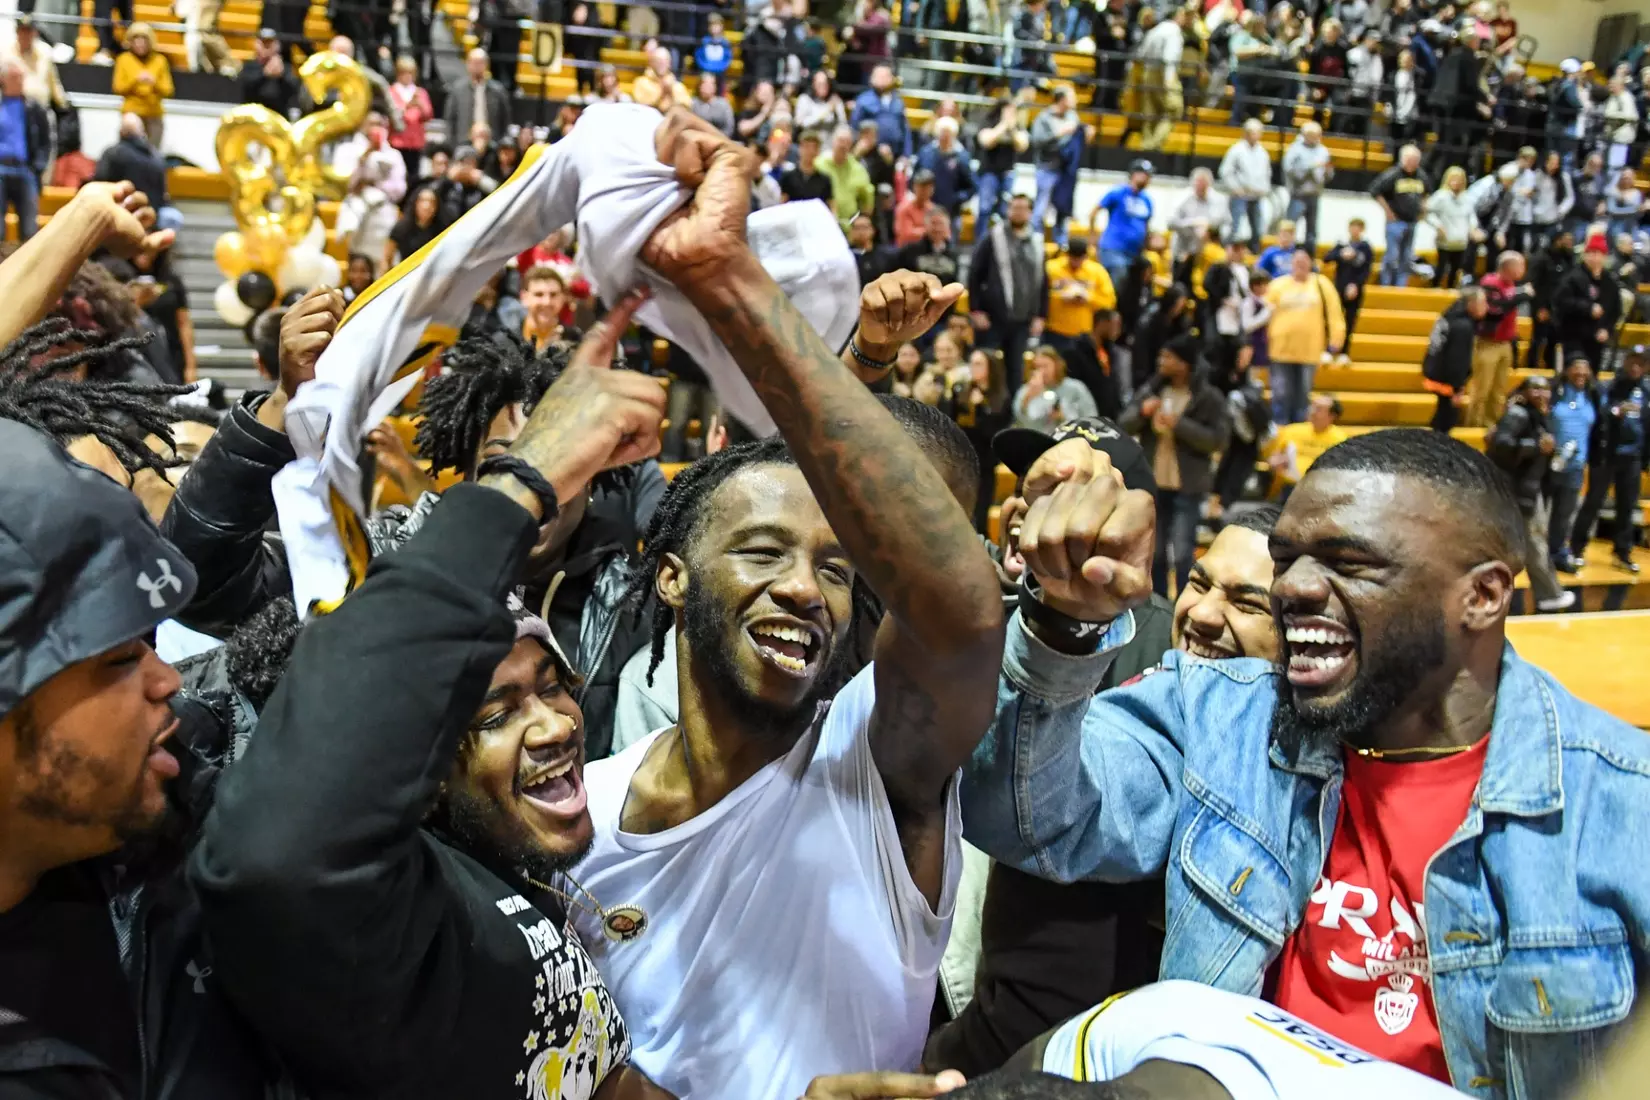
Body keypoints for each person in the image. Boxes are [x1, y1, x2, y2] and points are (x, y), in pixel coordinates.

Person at [962, 426, 1650, 1098]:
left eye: (1347, 563)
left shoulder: (1622, 803)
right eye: (1286, 557)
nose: (1292, 588)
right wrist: (1062, 626)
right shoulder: (1216, 715)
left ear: (1484, 595)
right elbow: (1026, 818)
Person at [570, 116, 1017, 1100]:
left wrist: (734, 283)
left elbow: (959, 615)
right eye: (765, 550)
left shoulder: (876, 764)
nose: (806, 587)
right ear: (672, 575)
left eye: (835, 566)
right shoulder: (576, 810)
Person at [1119, 332, 1231, 594]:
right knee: (1154, 554)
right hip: (1153, 484)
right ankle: (1157, 605)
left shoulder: (1209, 398)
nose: (1161, 360)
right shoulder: (1152, 390)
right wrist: (1141, 413)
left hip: (1187, 487)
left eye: (1168, 357)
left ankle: (1185, 602)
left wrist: (1179, 425)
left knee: (1182, 554)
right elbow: (1123, 423)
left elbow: (1217, 441)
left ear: (1185, 363)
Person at [1488, 375, 1575, 612]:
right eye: (1535, 388)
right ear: (1524, 391)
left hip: (1525, 490)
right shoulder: (1518, 414)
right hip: (1516, 491)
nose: (1541, 393)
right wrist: (1535, 447)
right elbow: (1500, 445)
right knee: (1534, 543)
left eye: (1545, 389)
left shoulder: (1537, 416)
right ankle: (1549, 594)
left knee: (1522, 543)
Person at [1569, 346, 1648, 574]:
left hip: (1632, 456)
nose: (1635, 366)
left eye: (1641, 363)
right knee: (1593, 502)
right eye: (1632, 361)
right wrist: (1615, 412)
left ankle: (1622, 552)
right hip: (1606, 455)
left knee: (1627, 506)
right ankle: (1576, 548)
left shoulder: (1646, 390)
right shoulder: (1607, 387)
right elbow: (1599, 413)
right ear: (1624, 361)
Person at [968, 192, 1047, 392]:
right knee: (989, 366)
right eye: (1013, 207)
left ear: (1030, 212)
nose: (1017, 212)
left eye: (1022, 208)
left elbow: (1043, 280)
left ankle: (1010, 416)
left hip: (1022, 320)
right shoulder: (993, 237)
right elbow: (975, 273)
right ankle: (981, 410)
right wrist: (975, 309)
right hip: (993, 317)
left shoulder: (1038, 241)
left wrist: (1041, 315)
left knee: (1015, 371)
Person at [1264, 249, 1345, 425]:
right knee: (1280, 394)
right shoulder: (1277, 285)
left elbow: (1334, 312)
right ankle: (1280, 430)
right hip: (1280, 350)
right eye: (1297, 262)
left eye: (1304, 261)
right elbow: (1264, 314)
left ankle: (1299, 431)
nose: (1300, 265)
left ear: (1310, 263)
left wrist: (1336, 339)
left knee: (1302, 395)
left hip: (1309, 351)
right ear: (1291, 264)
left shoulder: (1321, 284)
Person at [1549, 354, 1599, 574]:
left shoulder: (1594, 394)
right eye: (1576, 369)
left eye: (1584, 369)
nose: (1580, 374)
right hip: (1548, 464)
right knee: (1537, 514)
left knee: (1564, 513)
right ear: (1566, 370)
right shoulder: (1553, 392)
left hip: (1576, 466)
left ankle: (1557, 553)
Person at [1463, 249, 1526, 428]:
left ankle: (1493, 424)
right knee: (1481, 390)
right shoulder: (1490, 283)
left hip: (1505, 342)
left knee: (1498, 391)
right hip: (1487, 342)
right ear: (1508, 267)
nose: (1523, 270)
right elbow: (1495, 311)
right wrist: (1520, 296)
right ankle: (1474, 426)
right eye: (1520, 265)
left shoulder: (1511, 286)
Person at [95, 112, 182, 232]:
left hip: (123, 214)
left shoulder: (112, 153)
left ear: (121, 132)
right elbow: (163, 192)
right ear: (143, 133)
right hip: (154, 215)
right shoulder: (156, 156)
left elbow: (99, 184)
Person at [1555, 233, 1622, 375]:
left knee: (1593, 377)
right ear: (1585, 255)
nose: (1594, 257)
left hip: (1597, 339)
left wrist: (1607, 329)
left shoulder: (1610, 282)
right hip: (1574, 336)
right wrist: (1587, 307)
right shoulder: (1572, 277)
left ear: (1604, 257)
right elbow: (1561, 302)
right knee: (1574, 373)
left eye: (1598, 254)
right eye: (1591, 253)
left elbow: (1615, 311)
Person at [1423, 284, 1486, 434]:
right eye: (1483, 303)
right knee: (1446, 420)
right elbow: (1457, 360)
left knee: (1441, 415)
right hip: (1447, 380)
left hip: (1434, 371)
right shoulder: (1464, 326)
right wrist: (1457, 388)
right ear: (1471, 303)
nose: (1486, 307)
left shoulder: (1450, 314)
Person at [1042, 236, 1114, 362]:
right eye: (1072, 258)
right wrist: (1061, 297)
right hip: (1054, 331)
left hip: (1084, 334)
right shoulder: (1051, 268)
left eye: (1079, 258)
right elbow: (1039, 297)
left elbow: (1109, 302)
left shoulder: (1097, 272)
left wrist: (1088, 298)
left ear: (1086, 256)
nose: (1075, 262)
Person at [0, 60, 49, 242]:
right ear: (3, 79)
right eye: (15, 77)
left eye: (21, 77)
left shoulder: (33, 108)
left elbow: (45, 141)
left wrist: (38, 168)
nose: (20, 81)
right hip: (1, 170)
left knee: (29, 230)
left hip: (25, 170)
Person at [1089, 159, 1153, 292]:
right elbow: (1094, 213)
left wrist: (1147, 243)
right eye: (1144, 174)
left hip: (1134, 252)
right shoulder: (1118, 192)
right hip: (1113, 249)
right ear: (1133, 174)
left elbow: (1146, 225)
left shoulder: (1146, 200)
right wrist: (1092, 238)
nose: (1147, 178)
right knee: (1119, 275)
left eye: (1149, 175)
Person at [1265, 393, 1346, 495]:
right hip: (1291, 487)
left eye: (1318, 409)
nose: (1312, 411)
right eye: (1312, 406)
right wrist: (1277, 462)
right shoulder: (1291, 430)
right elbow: (1272, 459)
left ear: (1331, 416)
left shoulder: (1340, 439)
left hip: (1321, 490)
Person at [1369, 144, 1426, 287]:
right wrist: (1388, 212)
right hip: (1396, 222)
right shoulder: (1393, 174)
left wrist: (1422, 211)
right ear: (1403, 159)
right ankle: (1386, 284)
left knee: (1406, 257)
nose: (1413, 162)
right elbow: (1375, 191)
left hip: (1412, 222)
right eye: (1410, 159)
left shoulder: (1421, 175)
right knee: (1392, 256)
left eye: (1416, 159)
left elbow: (1427, 193)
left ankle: (1401, 286)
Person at [1135, 5, 1189, 150]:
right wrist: (1169, 80)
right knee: (1174, 109)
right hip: (1164, 74)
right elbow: (1169, 58)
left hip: (1148, 72)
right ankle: (1154, 145)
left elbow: (1141, 54)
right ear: (1177, 16)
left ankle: (1145, 146)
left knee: (1150, 114)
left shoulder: (1154, 30)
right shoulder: (1174, 31)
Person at [111, 22, 171, 148]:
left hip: (154, 112)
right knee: (130, 148)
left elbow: (168, 90)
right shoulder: (123, 59)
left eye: (144, 39)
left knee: (153, 151)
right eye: (136, 39)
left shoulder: (160, 60)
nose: (140, 43)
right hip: (132, 111)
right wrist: (135, 80)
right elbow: (118, 87)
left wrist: (154, 83)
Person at [1014, 345, 1098, 432]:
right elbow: (1020, 422)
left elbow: (1092, 418)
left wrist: (1062, 417)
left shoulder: (1075, 388)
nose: (1041, 371)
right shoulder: (1027, 390)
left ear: (1056, 365)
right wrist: (1028, 397)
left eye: (1045, 366)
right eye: (1037, 367)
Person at [1219, 119, 1272, 251]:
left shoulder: (1262, 152)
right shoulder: (1236, 150)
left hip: (1256, 195)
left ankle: (1253, 252)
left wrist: (1264, 189)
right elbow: (1225, 171)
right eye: (1253, 133)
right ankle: (1229, 251)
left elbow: (1267, 173)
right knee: (1235, 227)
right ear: (1246, 133)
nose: (1255, 135)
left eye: (1258, 133)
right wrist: (1235, 188)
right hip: (1240, 195)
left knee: (1257, 228)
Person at [1526, 229, 1575, 372]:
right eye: (1567, 239)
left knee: (1554, 341)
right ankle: (1531, 367)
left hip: (1561, 308)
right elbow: (1532, 285)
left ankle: (1551, 369)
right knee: (1538, 339)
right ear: (1558, 240)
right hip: (1543, 306)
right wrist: (1540, 307)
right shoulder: (1541, 258)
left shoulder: (1569, 259)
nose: (1570, 243)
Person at [974, 100, 1029, 227]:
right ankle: (981, 242)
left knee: (1005, 210)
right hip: (989, 172)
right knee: (985, 209)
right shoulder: (989, 122)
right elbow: (986, 141)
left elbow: (1022, 145)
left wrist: (1012, 128)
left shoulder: (1017, 127)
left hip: (1008, 172)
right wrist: (1003, 125)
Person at [1325, 217, 1371, 364]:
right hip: (1338, 288)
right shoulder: (1342, 245)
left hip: (1355, 290)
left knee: (1349, 321)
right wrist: (1340, 254)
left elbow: (1366, 271)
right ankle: (1330, 349)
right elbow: (1327, 258)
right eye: (1352, 227)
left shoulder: (1365, 248)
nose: (1355, 230)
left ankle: (1345, 352)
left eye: (1358, 227)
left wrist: (1356, 285)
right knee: (1333, 320)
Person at [445, 48, 510, 151]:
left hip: (492, 145)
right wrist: (452, 145)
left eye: (480, 63)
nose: (477, 66)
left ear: (486, 64)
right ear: (468, 64)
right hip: (463, 144)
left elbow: (505, 120)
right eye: (474, 63)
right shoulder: (457, 89)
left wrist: (500, 143)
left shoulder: (498, 91)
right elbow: (450, 119)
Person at [914, 116, 975, 226]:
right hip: (925, 207)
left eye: (948, 133)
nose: (945, 136)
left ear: (954, 135)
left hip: (950, 210)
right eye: (942, 132)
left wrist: (957, 199)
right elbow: (915, 177)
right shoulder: (926, 153)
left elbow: (972, 186)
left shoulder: (962, 157)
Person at [1281, 122, 1332, 250]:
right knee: (1290, 226)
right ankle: (1287, 251)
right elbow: (1288, 170)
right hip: (1298, 193)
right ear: (1304, 135)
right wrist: (1310, 167)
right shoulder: (1295, 150)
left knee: (1312, 229)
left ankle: (1310, 254)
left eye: (1317, 135)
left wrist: (1327, 171)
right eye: (1311, 135)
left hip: (1315, 193)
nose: (1314, 138)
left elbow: (1329, 173)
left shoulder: (1323, 151)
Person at [387, 55, 434, 183]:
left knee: (414, 177)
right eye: (404, 73)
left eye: (411, 73)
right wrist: (407, 106)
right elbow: (391, 115)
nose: (408, 76)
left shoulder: (420, 92)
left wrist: (420, 104)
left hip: (415, 143)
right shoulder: (391, 92)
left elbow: (428, 115)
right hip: (397, 142)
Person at [1, 16, 65, 112]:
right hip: (14, 109)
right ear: (17, 33)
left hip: (41, 109)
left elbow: (53, 82)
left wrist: (63, 105)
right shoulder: (5, 52)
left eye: (28, 32)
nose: (25, 36)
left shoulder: (44, 52)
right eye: (22, 31)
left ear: (35, 33)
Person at [1425, 166, 1474, 289]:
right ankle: (1435, 287)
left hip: (1461, 240)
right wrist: (1438, 226)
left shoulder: (1467, 197)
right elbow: (1428, 213)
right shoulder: (1441, 196)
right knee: (1441, 267)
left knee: (1456, 268)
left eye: (1459, 179)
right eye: (1453, 179)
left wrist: (1473, 228)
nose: (1456, 182)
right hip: (1445, 238)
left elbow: (1471, 216)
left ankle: (1452, 289)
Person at [849, 63, 911, 160]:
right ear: (871, 79)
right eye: (879, 76)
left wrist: (906, 155)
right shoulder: (863, 100)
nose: (882, 79)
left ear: (892, 79)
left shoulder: (898, 102)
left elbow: (905, 130)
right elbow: (854, 128)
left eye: (885, 76)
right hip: (869, 155)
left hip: (895, 155)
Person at [1168, 168, 1230, 265]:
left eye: (1204, 186)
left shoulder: (1219, 200)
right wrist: (1193, 223)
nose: (1201, 188)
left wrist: (1210, 227)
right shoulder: (1182, 198)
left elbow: (1227, 223)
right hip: (1184, 249)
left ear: (1209, 185)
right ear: (1193, 183)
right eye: (1198, 184)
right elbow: (1170, 223)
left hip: (1208, 252)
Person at [819, 124, 874, 233]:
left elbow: (867, 201)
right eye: (840, 140)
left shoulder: (858, 169)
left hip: (849, 228)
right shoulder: (819, 164)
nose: (843, 145)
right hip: (821, 224)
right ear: (833, 141)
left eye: (847, 142)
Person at [896, 205, 961, 287]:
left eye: (941, 224)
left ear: (948, 227)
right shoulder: (910, 251)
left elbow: (955, 283)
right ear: (925, 226)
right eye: (933, 223)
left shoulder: (954, 254)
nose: (937, 228)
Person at [238, 28, 299, 115]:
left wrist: (282, 76)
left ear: (277, 45)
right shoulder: (249, 66)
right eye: (263, 43)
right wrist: (264, 74)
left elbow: (294, 91)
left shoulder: (286, 68)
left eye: (270, 43)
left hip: (278, 116)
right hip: (254, 115)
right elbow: (246, 88)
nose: (266, 46)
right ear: (256, 44)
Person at [895, 168, 937, 247]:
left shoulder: (934, 209)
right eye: (922, 186)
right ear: (915, 187)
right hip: (907, 251)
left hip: (928, 252)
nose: (925, 190)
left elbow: (943, 233)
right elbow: (906, 234)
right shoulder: (904, 208)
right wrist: (930, 231)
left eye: (929, 187)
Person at [694, 13, 733, 88]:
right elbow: (698, 56)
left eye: (717, 25)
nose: (714, 28)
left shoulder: (725, 42)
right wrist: (706, 67)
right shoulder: (704, 41)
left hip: (720, 73)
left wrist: (720, 68)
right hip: (705, 71)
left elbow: (728, 58)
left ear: (722, 26)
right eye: (712, 25)